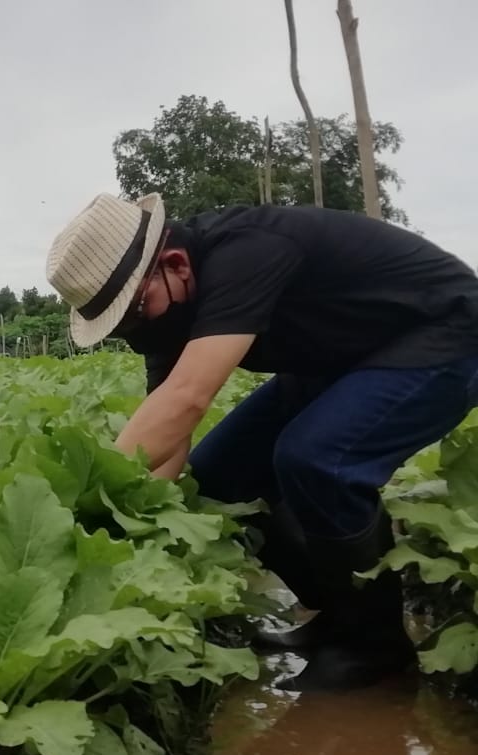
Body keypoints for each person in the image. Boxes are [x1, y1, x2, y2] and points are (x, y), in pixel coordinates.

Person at [45, 192, 478, 692]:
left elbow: (188, 398)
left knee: (319, 459)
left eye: (135, 313)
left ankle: (374, 644)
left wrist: (88, 503)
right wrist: (126, 529)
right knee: (219, 481)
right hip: (339, 356)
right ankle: (340, 614)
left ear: (176, 263)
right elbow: (167, 437)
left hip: (444, 333)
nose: (136, 332)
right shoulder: (164, 312)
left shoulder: (246, 252)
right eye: (121, 327)